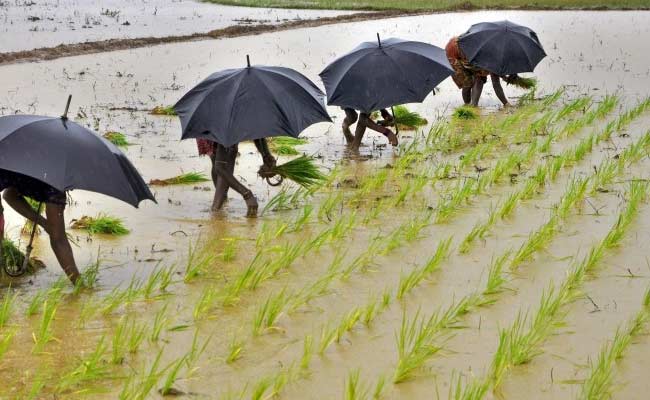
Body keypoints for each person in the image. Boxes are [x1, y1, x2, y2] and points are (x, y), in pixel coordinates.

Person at [0, 169, 79, 283]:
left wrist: (44, 223)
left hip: (28, 176)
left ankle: (78, 284)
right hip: (38, 178)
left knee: (56, 234)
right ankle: (79, 284)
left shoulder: (54, 185)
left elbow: (9, 195)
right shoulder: (56, 183)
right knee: (57, 236)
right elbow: (58, 239)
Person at [196, 138, 277, 217]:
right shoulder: (225, 132)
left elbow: (257, 132)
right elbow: (220, 167)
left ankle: (219, 204)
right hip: (216, 131)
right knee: (224, 157)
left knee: (221, 157)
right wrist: (247, 195)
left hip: (221, 132)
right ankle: (216, 210)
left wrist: (266, 156)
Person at [445, 36, 511, 107]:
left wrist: (506, 103)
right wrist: (506, 103)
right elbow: (496, 83)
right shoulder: (487, 58)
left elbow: (496, 81)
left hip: (466, 52)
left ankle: (473, 105)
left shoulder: (496, 56)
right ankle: (468, 105)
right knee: (468, 81)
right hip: (452, 53)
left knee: (479, 78)